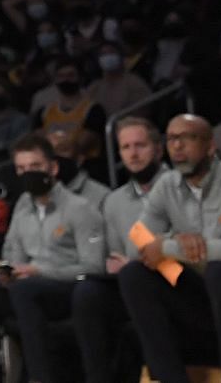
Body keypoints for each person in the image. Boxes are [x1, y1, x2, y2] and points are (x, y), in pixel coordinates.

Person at [117, 113, 221, 383]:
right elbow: (135, 244)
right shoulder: (167, 185)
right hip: (198, 295)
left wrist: (169, 247)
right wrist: (172, 241)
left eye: (188, 138)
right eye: (172, 138)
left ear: (210, 146)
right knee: (134, 275)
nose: (177, 146)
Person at [0, 134, 107, 383]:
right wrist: (6, 271)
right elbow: (12, 251)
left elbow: (94, 266)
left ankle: (39, 378)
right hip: (25, 286)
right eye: (21, 169)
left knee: (26, 289)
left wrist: (38, 271)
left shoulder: (80, 208)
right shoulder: (23, 204)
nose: (28, 174)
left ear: (53, 167)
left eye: (34, 167)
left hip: (66, 289)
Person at [74, 115, 165, 383]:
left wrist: (133, 264)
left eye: (140, 145)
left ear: (158, 149)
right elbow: (114, 258)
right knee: (88, 293)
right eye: (126, 148)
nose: (133, 154)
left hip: (173, 279)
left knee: (134, 277)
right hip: (130, 283)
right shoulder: (114, 201)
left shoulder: (177, 188)